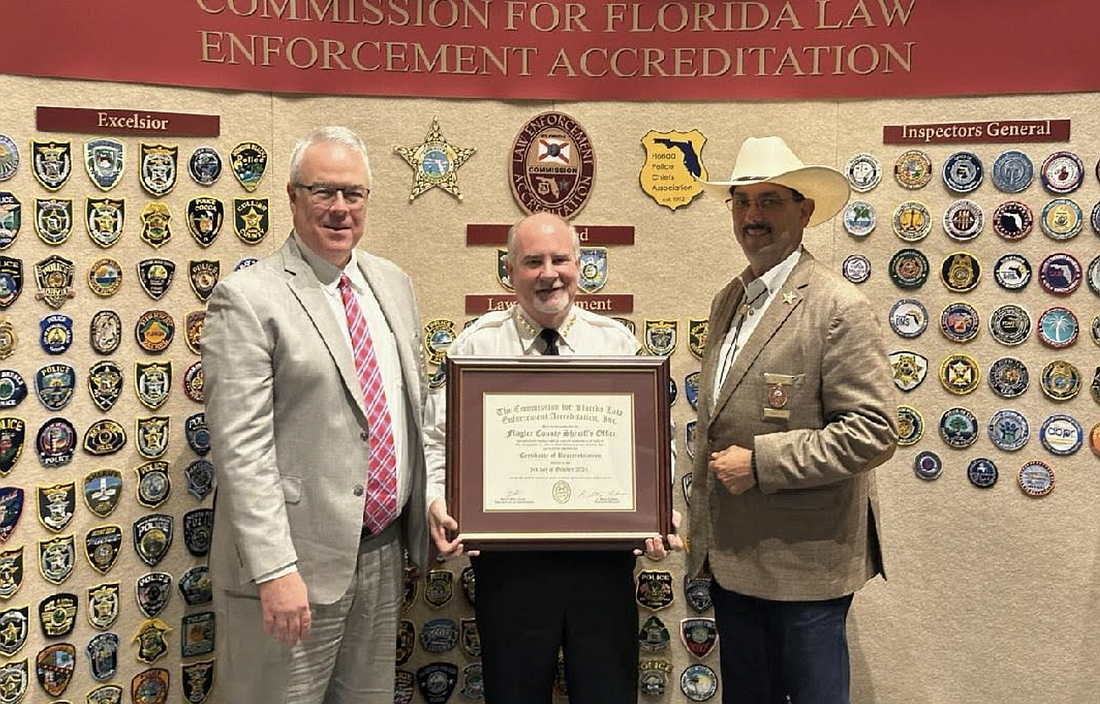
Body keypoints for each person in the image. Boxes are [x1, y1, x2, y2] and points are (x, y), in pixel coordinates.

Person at [204, 126, 429, 704]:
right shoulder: (248, 297)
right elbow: (240, 450)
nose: (339, 208)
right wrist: (275, 570)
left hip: (382, 555)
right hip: (292, 568)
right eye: (323, 191)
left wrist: (430, 503)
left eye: (353, 194)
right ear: (292, 196)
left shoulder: (393, 284)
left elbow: (411, 413)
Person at [424, 212, 680, 704]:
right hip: (510, 567)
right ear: (510, 270)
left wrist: (656, 508)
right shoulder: (477, 345)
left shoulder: (617, 344)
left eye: (560, 259)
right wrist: (439, 500)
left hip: (601, 565)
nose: (549, 273)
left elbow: (653, 444)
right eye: (533, 261)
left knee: (607, 694)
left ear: (580, 265)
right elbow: (439, 441)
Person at [687, 137, 898, 704]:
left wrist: (761, 462)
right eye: (742, 201)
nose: (753, 216)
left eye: (771, 201)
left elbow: (874, 432)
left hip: (806, 567)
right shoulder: (728, 300)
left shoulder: (838, 306)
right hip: (735, 561)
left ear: (804, 210)